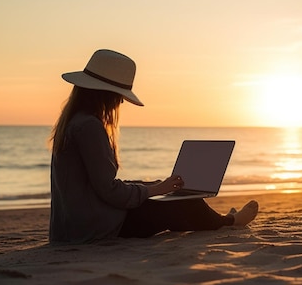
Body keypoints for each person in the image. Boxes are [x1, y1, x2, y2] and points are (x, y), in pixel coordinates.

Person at [49, 49, 258, 243]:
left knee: (166, 196)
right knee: (181, 202)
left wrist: (153, 186)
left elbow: (99, 186)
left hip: (72, 227)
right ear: (106, 94)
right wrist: (155, 190)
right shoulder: (89, 127)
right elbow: (110, 191)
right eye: (119, 96)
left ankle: (218, 219)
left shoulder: (73, 122)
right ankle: (230, 222)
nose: (120, 103)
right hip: (94, 228)